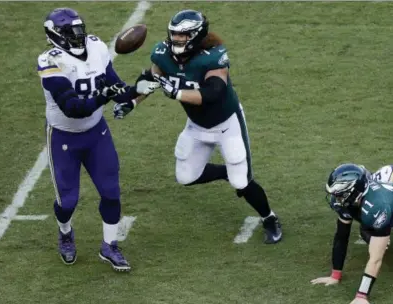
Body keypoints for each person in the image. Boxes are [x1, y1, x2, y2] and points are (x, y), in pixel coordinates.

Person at [114, 9, 282, 243]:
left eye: (183, 35)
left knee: (242, 182)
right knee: (186, 176)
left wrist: (177, 93)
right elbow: (152, 79)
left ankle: (269, 218)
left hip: (226, 124)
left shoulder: (213, 57)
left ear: (196, 35)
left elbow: (213, 92)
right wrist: (132, 102)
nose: (177, 40)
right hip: (197, 125)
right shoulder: (163, 54)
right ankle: (226, 173)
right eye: (174, 34)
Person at [38, 7, 157, 271]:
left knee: (111, 192)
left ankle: (109, 246)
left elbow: (116, 87)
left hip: (96, 133)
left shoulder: (97, 47)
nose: (78, 36)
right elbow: (73, 108)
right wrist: (105, 94)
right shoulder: (49, 61)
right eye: (71, 33)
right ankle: (66, 232)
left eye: (79, 30)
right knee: (67, 202)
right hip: (63, 137)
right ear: (55, 35)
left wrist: (138, 89)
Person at [311, 163, 393, 304]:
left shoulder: (377, 206)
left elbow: (376, 258)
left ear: (355, 192)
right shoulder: (355, 201)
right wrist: (335, 275)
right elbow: (341, 236)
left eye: (340, 194)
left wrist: (361, 295)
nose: (336, 199)